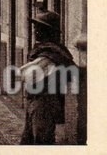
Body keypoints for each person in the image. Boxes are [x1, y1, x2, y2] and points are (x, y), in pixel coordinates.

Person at [19, 10, 75, 144]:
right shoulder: (47, 50)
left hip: (43, 103)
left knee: (41, 141)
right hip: (36, 100)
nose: (35, 31)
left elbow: (26, 75)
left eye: (38, 28)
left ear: (47, 31)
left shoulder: (50, 54)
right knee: (29, 141)